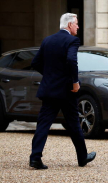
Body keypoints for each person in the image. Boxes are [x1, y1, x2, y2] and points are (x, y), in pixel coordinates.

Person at [29, 13, 96, 169]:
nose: (78, 27)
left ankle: (35, 158)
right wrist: (74, 82)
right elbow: (71, 60)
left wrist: (50, 76)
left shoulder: (47, 40)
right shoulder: (72, 40)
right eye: (77, 24)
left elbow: (35, 62)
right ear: (70, 25)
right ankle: (82, 157)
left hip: (49, 89)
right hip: (67, 91)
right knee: (74, 124)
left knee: (43, 125)